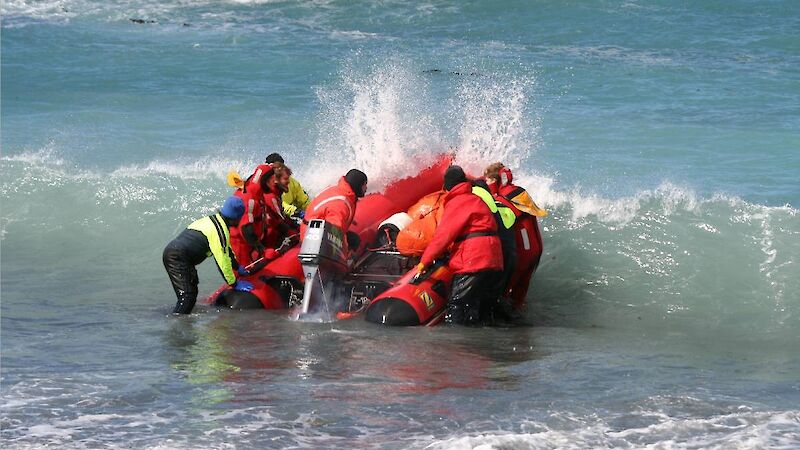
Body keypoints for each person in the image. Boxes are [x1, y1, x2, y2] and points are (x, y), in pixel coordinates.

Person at [416, 165, 503, 325]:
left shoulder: (458, 201)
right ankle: (479, 346)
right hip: (494, 259)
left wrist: (424, 262)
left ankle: (454, 346)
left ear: (449, 186)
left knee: (456, 306)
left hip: (474, 260)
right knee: (477, 309)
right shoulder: (475, 198)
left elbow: (443, 237)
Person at [163, 196, 254, 314]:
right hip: (178, 257)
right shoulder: (219, 231)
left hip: (177, 254)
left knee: (191, 292)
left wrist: (237, 266)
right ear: (236, 217)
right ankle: (176, 324)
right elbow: (222, 261)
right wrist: (234, 283)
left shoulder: (214, 220)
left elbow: (227, 250)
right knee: (187, 297)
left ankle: (183, 321)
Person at [484, 162, 547, 310]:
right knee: (520, 292)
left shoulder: (501, 199)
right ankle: (520, 323)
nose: (485, 183)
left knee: (505, 293)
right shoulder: (519, 192)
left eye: (486, 180)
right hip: (536, 249)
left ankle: (506, 324)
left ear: (494, 180)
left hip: (523, 253)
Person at [300, 168, 367, 253]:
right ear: (357, 185)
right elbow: (334, 232)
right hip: (312, 238)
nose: (366, 188)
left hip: (313, 230)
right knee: (354, 242)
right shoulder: (341, 203)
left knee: (353, 239)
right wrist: (344, 254)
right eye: (364, 185)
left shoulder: (340, 190)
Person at [264, 153, 311, 218]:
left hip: (286, 216)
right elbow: (279, 204)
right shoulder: (264, 185)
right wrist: (296, 211)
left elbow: (304, 202)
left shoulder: (293, 183)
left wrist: (313, 210)